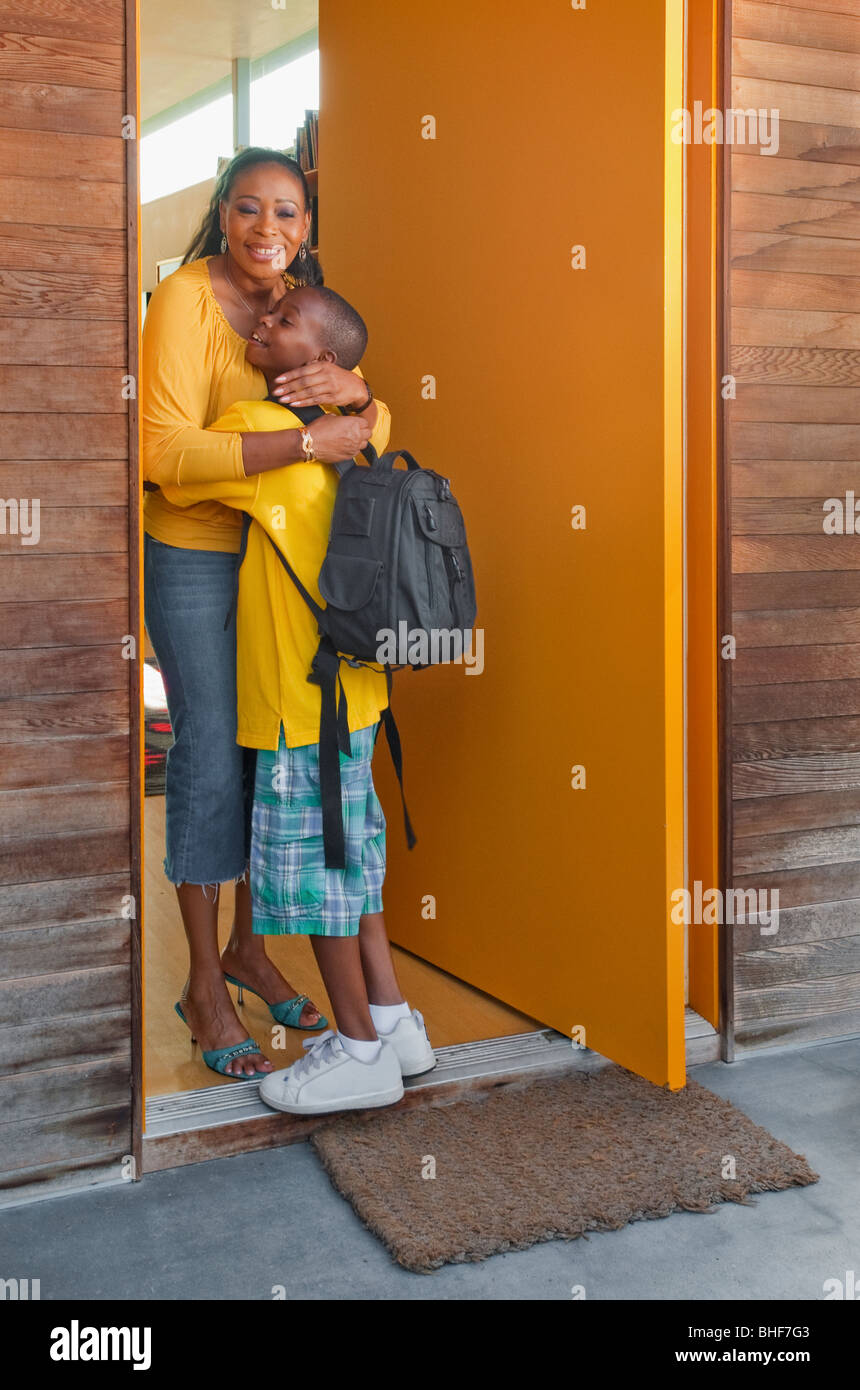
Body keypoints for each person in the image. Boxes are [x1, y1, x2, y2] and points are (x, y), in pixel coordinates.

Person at [143, 147, 391, 1080]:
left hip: (280, 568)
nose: (268, 232)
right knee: (209, 758)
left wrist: (357, 399)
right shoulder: (183, 302)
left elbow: (373, 427)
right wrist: (306, 438)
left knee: (270, 749)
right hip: (199, 556)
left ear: (307, 228)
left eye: (287, 214)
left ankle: (254, 948)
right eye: (249, 210)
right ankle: (207, 984)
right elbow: (161, 450)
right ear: (222, 213)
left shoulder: (307, 308)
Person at [158, 284, 435, 1113]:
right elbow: (372, 426)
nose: (262, 325)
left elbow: (172, 476)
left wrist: (301, 429)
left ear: (320, 364)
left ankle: (356, 1050)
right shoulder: (360, 442)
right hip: (355, 695)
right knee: (353, 862)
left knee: (319, 878)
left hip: (292, 702)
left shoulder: (257, 431)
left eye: (282, 324)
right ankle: (393, 1023)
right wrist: (352, 414)